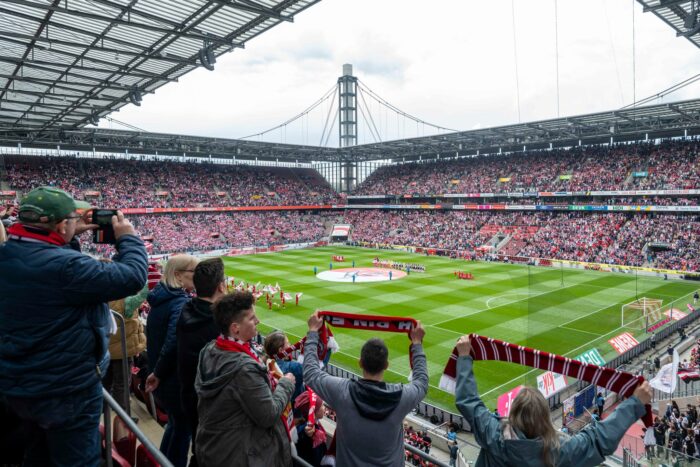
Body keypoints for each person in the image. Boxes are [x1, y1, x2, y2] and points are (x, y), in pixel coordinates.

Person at [0, 186, 147, 466]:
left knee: (37, 455)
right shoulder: (68, 268)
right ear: (60, 224)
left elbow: (47, 266)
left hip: (18, 383)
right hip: (65, 389)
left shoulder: (7, 253)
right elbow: (132, 277)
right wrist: (128, 238)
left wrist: (66, 235)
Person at [453, 335, 653, 466]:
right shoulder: (560, 451)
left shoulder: (492, 434)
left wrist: (464, 357)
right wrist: (635, 404)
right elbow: (599, 441)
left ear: (512, 414)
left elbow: (467, 401)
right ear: (544, 417)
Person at [303, 311, 428, 466]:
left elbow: (311, 373)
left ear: (360, 363)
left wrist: (313, 332)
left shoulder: (342, 391)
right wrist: (417, 343)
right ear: (386, 365)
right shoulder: (401, 396)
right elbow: (422, 382)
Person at [195, 291, 295, 467]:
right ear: (235, 328)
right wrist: (285, 384)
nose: (258, 321)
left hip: (214, 446)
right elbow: (268, 414)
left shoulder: (209, 349)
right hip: (238, 454)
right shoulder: (244, 369)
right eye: (251, 318)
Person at [145, 254, 199, 467]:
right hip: (172, 380)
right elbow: (173, 342)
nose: (198, 277)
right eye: (194, 272)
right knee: (181, 431)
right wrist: (158, 373)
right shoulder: (179, 302)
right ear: (178, 275)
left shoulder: (162, 298)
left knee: (176, 426)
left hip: (164, 377)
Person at [176, 258, 227, 467]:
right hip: (210, 405)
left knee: (199, 449)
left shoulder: (187, 309)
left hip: (189, 395)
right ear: (221, 286)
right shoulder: (217, 325)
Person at [104, 286, 149, 412]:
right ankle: (122, 415)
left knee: (106, 383)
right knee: (122, 384)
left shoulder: (103, 297)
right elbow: (145, 291)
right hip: (123, 352)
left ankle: (104, 412)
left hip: (106, 350)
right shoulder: (127, 302)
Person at [264, 331, 304, 401]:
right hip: (296, 403)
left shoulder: (266, 364)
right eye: (287, 343)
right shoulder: (294, 367)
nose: (290, 345)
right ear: (280, 350)